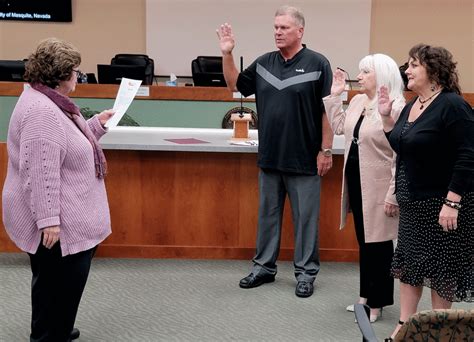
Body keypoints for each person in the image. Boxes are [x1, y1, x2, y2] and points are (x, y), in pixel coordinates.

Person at [2, 38, 115, 341]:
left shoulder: (48, 101)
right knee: (58, 285)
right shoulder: (43, 112)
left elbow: (66, 145)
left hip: (57, 214)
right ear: (62, 74)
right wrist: (49, 220)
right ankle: (51, 333)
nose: (79, 76)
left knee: (52, 285)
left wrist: (96, 125)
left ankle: (55, 328)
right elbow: (41, 171)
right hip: (56, 223)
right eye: (77, 71)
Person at [216, 5, 333, 298]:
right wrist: (227, 53)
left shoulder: (319, 63)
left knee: (306, 220)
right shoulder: (264, 63)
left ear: (300, 31)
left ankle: (306, 274)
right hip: (270, 158)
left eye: (283, 28)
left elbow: (328, 112)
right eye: (275, 28)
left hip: (305, 159)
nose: (277, 32)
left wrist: (326, 150)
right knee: (267, 216)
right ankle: (264, 268)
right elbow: (235, 85)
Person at [379, 44, 474, 340]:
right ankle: (406, 326)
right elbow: (403, 146)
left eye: (413, 65)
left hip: (442, 204)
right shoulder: (414, 104)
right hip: (413, 203)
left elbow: (469, 154)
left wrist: (452, 202)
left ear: (433, 71)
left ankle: (438, 331)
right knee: (409, 266)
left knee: (441, 270)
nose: (406, 70)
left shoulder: (452, 105)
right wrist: (385, 119)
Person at [323, 54, 405, 322]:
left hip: (380, 187)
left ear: (381, 74)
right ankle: (364, 296)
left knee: (379, 246)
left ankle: (377, 303)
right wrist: (335, 96)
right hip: (357, 182)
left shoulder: (396, 106)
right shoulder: (358, 100)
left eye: (365, 72)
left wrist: (393, 192)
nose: (359, 76)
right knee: (364, 241)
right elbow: (338, 127)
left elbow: (399, 155)